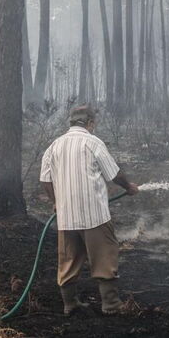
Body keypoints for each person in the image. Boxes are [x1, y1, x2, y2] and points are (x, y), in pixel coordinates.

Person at [39, 104, 139, 315]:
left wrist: (55, 201)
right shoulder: (93, 142)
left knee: (68, 259)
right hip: (95, 216)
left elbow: (45, 180)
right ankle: (111, 305)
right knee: (104, 257)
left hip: (66, 217)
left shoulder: (54, 146)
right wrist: (128, 187)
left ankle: (70, 304)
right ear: (90, 123)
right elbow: (114, 174)